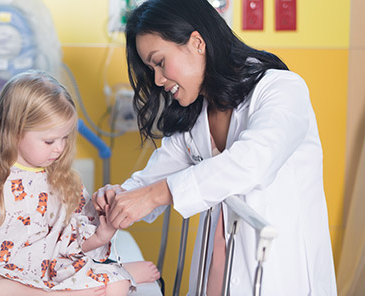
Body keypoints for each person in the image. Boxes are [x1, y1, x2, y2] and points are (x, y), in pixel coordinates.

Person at [92, 0, 337, 295]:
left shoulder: (282, 89)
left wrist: (153, 195)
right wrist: (117, 199)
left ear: (197, 43)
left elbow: (252, 162)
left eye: (159, 62)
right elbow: (151, 181)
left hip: (280, 274)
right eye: (151, 68)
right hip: (219, 275)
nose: (157, 79)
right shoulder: (198, 115)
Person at [0, 70, 160, 296]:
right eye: (49, 140)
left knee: (117, 284)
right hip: (8, 276)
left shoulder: (66, 181)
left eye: (65, 138)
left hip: (55, 271)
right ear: (14, 132)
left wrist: (100, 237)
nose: (59, 148)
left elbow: (71, 246)